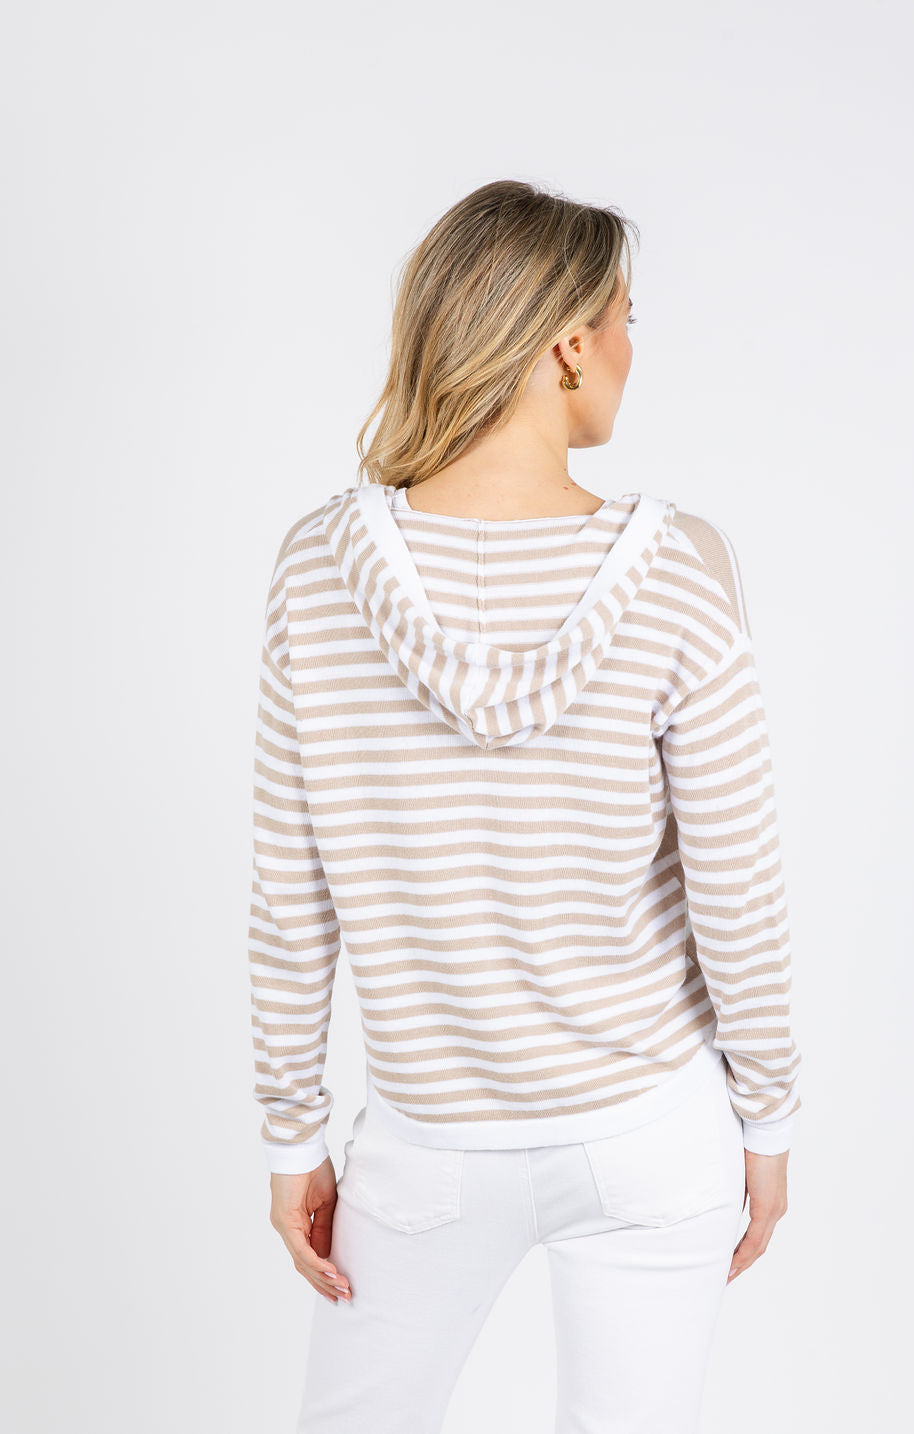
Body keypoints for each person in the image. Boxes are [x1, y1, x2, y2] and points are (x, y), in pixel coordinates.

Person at [248, 178, 803, 1434]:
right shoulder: (679, 566)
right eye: (623, 321)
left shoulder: (316, 569)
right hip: (648, 1131)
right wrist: (768, 1116)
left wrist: (294, 1138)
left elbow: (292, 897)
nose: (628, 351)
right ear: (567, 345)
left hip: (426, 1142)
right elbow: (735, 883)